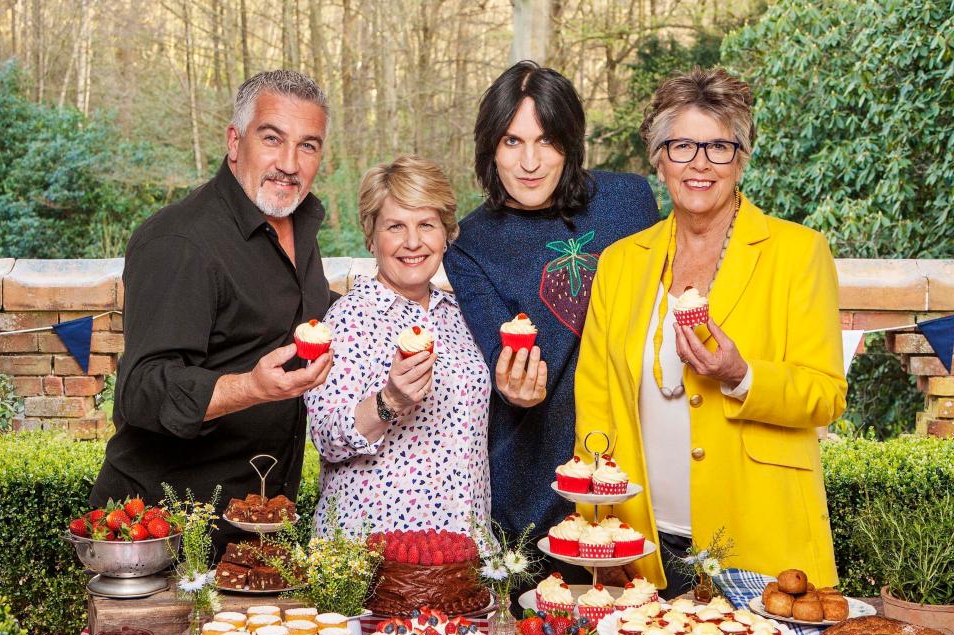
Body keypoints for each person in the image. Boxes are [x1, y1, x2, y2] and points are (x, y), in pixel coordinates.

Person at [574, 67, 847, 595]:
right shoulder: (619, 263)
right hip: (642, 547)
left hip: (760, 544)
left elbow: (826, 395)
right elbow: (596, 407)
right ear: (658, 158)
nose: (699, 164)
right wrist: (598, 530)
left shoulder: (798, 253)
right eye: (681, 146)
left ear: (741, 158)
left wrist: (742, 375)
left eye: (719, 147)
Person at [91, 71, 335, 552]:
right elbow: (141, 390)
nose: (289, 163)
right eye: (272, 139)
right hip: (165, 529)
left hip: (257, 521)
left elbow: (290, 316)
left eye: (308, 146)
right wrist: (250, 387)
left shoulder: (297, 223)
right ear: (234, 141)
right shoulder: (180, 242)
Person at [443, 61, 658, 546]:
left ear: (570, 142)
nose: (530, 162)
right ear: (490, 148)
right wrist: (514, 385)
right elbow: (497, 345)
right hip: (530, 481)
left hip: (628, 465)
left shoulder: (629, 201)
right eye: (512, 141)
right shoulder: (470, 244)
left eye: (546, 141)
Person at [305, 155, 491, 537]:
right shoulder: (346, 319)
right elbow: (326, 438)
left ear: (446, 233)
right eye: (395, 226)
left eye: (426, 224)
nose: (412, 242)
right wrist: (389, 401)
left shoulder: (463, 315)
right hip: (371, 553)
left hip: (461, 545)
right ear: (371, 236)